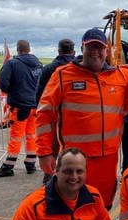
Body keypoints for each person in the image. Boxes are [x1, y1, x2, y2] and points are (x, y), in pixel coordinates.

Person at [36, 28, 128, 209]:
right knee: (73, 209)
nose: (95, 52)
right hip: (75, 161)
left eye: (100, 48)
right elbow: (44, 114)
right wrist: (44, 152)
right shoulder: (62, 75)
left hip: (108, 160)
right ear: (82, 48)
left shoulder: (120, 76)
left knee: (103, 208)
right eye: (90, 47)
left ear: (107, 50)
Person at [0, 40, 43, 178]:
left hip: (20, 106)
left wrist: (12, 90)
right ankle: (31, 163)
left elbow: (3, 83)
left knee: (16, 136)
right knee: (31, 135)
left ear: (17, 50)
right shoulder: (38, 64)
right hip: (35, 106)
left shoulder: (12, 64)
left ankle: (8, 166)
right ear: (29, 49)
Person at [35, 38, 76, 184]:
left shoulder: (48, 69)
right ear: (74, 51)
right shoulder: (78, 68)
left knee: (54, 147)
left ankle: (50, 175)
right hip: (73, 117)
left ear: (59, 51)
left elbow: (39, 96)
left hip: (53, 115)